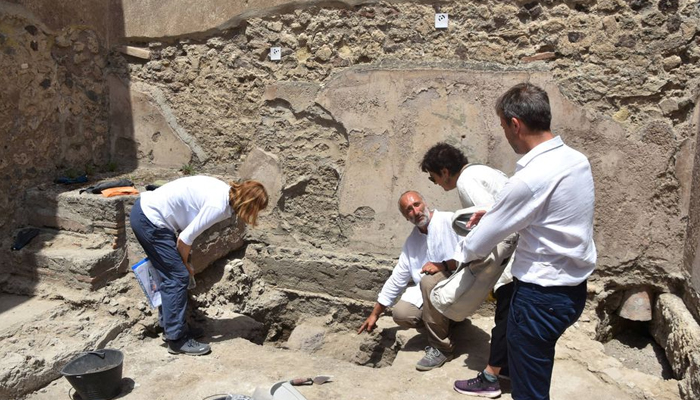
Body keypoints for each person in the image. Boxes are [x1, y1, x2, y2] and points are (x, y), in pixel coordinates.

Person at [450, 83, 596, 399]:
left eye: (503, 126)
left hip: (538, 300)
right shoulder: (575, 160)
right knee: (535, 371)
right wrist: (496, 210)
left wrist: (458, 252)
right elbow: (551, 209)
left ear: (515, 125)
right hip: (572, 292)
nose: (504, 133)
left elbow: (479, 243)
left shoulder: (529, 178)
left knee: (529, 392)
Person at [130, 175, 268, 355]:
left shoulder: (223, 192)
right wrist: (185, 266)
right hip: (150, 219)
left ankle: (171, 327)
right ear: (249, 204)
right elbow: (184, 239)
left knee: (171, 275)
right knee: (177, 276)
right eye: (255, 209)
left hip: (149, 215)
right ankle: (177, 340)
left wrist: (184, 262)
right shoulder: (218, 206)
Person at [420, 143, 513, 398]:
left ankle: (491, 378)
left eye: (433, 176)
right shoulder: (484, 173)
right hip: (518, 258)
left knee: (505, 320)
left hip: (510, 263)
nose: (435, 183)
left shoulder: (466, 182)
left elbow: (490, 226)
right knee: (510, 319)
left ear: (445, 171)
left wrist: (472, 261)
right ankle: (505, 369)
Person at [357, 191, 461, 371]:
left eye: (417, 205)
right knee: (401, 313)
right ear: (406, 217)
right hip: (430, 294)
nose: (415, 211)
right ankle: (447, 324)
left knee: (428, 282)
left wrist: (444, 265)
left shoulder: (450, 221)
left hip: (460, 287)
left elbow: (473, 254)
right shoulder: (412, 241)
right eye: (409, 210)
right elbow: (397, 278)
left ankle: (442, 348)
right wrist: (375, 313)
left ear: (425, 203)